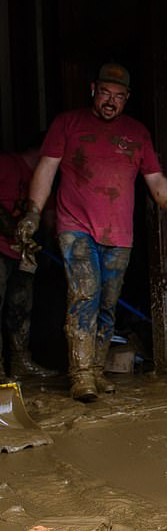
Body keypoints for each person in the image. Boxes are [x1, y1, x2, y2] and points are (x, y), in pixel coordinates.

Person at [18, 63, 167, 402]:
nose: (111, 102)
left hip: (118, 234)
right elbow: (46, 170)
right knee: (85, 294)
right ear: (93, 90)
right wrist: (33, 214)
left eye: (119, 97)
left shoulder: (137, 133)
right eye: (106, 94)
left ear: (127, 99)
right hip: (75, 227)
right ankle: (81, 376)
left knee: (108, 304)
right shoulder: (67, 124)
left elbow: (154, 178)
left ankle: (95, 370)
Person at [0, 145, 58, 381]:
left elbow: (50, 218)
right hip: (1, 248)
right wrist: (11, 229)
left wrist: (50, 248)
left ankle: (20, 362)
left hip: (24, 254)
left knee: (20, 308)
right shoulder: (7, 164)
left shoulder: (49, 179)